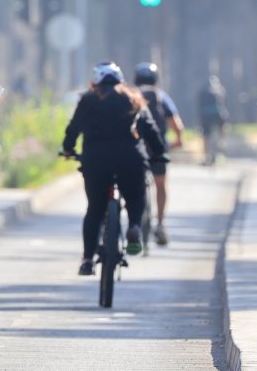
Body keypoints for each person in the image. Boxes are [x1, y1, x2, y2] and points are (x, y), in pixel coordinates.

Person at [61, 62, 167, 276]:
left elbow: (73, 128)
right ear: (121, 80)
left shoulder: (88, 99)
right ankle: (135, 226)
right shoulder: (134, 98)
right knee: (136, 197)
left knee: (94, 209)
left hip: (96, 161)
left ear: (95, 82)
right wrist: (158, 154)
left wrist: (68, 149)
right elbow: (151, 130)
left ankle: (88, 259)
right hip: (130, 160)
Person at [134, 62, 184, 246]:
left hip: (135, 148)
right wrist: (177, 141)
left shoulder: (131, 96)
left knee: (135, 185)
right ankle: (161, 224)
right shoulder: (162, 97)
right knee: (160, 185)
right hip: (157, 148)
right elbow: (176, 125)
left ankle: (135, 224)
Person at [198, 75, 229, 165]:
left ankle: (207, 156)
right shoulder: (220, 90)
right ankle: (221, 148)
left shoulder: (203, 92)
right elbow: (224, 104)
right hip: (219, 115)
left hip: (206, 116)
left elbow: (199, 107)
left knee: (206, 137)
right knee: (222, 134)